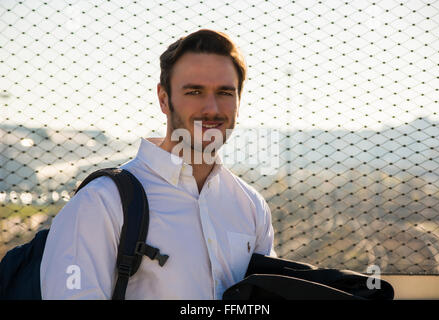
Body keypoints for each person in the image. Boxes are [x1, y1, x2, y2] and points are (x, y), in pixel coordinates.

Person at [40, 29, 277, 300]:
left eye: (225, 92)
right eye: (194, 91)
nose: (211, 108)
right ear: (164, 99)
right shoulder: (100, 203)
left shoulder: (251, 206)